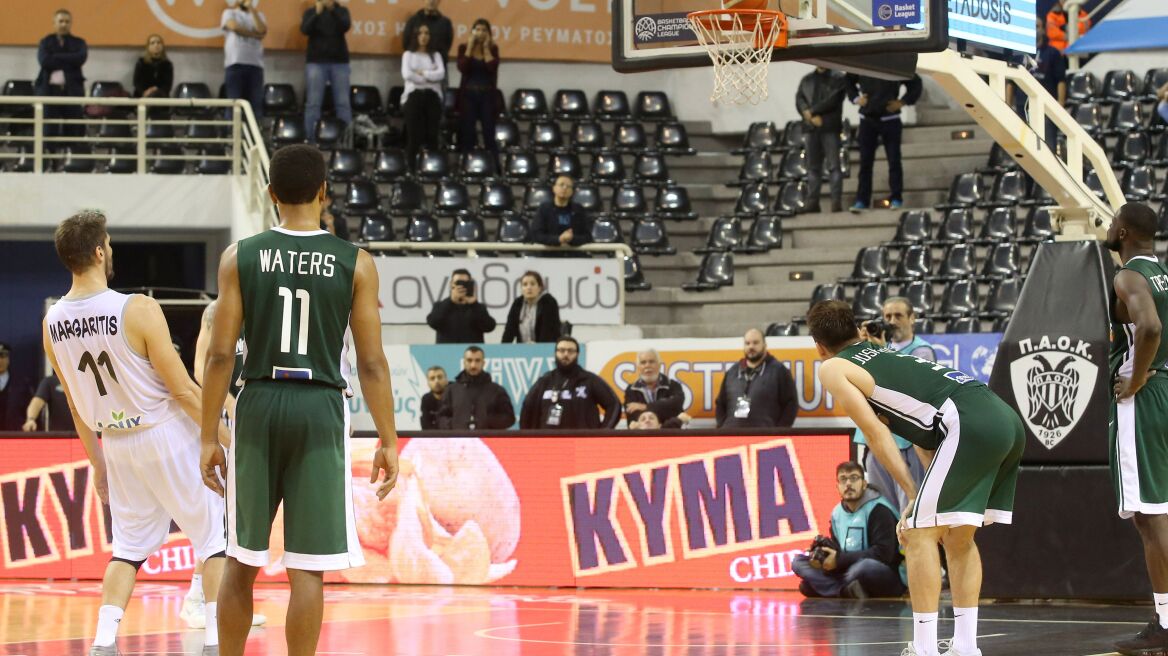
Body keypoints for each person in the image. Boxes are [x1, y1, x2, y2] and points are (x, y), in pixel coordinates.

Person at [199, 144, 401, 656]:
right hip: (320, 407)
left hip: (259, 401)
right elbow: (373, 364)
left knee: (241, 558)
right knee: (308, 566)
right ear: (324, 193)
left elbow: (220, 356)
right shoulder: (357, 263)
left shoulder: (238, 256)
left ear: (269, 195)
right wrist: (388, 439)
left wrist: (207, 437)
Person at [41, 211, 228, 655]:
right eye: (108, 242)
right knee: (215, 538)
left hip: (117, 443)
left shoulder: (51, 324)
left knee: (127, 550)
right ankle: (218, 640)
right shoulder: (137, 308)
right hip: (166, 432)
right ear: (99, 251)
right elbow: (182, 389)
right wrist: (224, 436)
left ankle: (104, 640)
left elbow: (74, 404)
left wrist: (98, 464)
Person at [809, 299, 1025, 656]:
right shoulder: (881, 353)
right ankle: (965, 647)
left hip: (966, 422)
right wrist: (920, 494)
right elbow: (923, 434)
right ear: (856, 328)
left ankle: (924, 648)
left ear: (818, 345)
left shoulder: (833, 367)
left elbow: (877, 435)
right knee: (958, 538)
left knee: (917, 532)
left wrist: (911, 494)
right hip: (1002, 419)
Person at [1103, 202, 1168, 655]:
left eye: (1111, 222)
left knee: (1151, 516)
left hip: (1146, 398)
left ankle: (1166, 622)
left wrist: (1138, 377)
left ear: (1122, 231)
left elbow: (1150, 327)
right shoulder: (1166, 275)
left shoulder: (1129, 276)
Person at [853, 297, 933, 510]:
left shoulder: (922, 351)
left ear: (912, 318)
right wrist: (861, 347)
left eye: (898, 315)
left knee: (912, 508)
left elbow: (909, 389)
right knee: (885, 509)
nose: (892, 321)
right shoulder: (876, 349)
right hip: (877, 440)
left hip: (905, 442)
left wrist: (880, 353)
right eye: (887, 316)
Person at [792, 461, 906, 599]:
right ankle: (845, 590)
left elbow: (884, 554)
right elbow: (838, 549)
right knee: (798, 562)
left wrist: (839, 561)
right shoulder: (836, 513)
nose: (848, 484)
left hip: (885, 573)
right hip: (847, 569)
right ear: (837, 486)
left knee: (863, 568)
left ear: (864, 484)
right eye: (843, 479)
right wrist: (824, 554)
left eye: (854, 478)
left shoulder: (879, 509)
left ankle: (831, 588)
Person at [846, 73, 922, 213]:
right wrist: (856, 98)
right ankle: (862, 200)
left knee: (894, 161)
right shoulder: (863, 59)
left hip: (890, 119)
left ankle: (896, 198)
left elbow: (916, 83)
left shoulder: (896, 60)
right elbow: (848, 81)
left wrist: (902, 102)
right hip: (867, 119)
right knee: (865, 164)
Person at [520, 336, 621, 429]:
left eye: (570, 351)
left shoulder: (589, 380)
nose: (566, 354)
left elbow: (614, 404)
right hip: (549, 443)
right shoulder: (544, 381)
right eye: (562, 350)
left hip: (582, 443)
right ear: (555, 353)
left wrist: (602, 433)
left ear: (577, 354)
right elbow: (527, 409)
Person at [715, 329, 799, 428]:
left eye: (755, 343)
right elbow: (720, 404)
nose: (751, 346)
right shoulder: (732, 372)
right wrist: (723, 426)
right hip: (731, 436)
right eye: (747, 343)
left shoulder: (779, 371)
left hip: (765, 438)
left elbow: (791, 404)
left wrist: (778, 432)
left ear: (765, 345)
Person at [795, 66, 846, 213]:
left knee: (834, 166)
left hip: (829, 126)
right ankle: (812, 202)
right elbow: (800, 100)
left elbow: (834, 99)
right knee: (812, 168)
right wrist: (809, 115)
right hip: (811, 128)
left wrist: (812, 112)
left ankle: (836, 202)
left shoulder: (838, 78)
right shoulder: (807, 80)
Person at [36, 9, 87, 152]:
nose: (64, 24)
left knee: (73, 128)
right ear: (54, 23)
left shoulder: (79, 42)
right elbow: (45, 61)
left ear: (71, 24)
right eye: (61, 21)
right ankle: (49, 161)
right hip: (49, 91)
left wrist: (56, 56)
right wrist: (69, 58)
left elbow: (80, 58)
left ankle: (71, 161)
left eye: (67, 21)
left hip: (72, 91)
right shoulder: (45, 42)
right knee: (48, 129)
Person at [301, 0, 353, 142]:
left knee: (343, 103)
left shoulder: (341, 11)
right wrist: (317, 14)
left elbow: (345, 26)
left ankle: (346, 140)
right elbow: (305, 29)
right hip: (316, 62)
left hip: (339, 63)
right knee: (313, 103)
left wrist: (333, 10)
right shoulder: (311, 12)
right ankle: (311, 139)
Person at [401, 24, 446, 171]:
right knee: (414, 136)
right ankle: (411, 169)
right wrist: (428, 77)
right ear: (415, 36)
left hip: (432, 96)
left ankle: (431, 168)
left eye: (427, 33)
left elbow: (441, 75)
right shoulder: (408, 55)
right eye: (420, 33)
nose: (424, 36)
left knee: (432, 135)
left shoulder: (436, 55)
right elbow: (407, 75)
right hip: (413, 95)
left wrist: (422, 73)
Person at [437, 346, 515, 430]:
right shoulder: (451, 390)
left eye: (477, 360)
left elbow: (509, 418)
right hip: (459, 440)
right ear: (464, 362)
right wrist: (456, 423)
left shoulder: (497, 390)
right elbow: (441, 418)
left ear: (483, 363)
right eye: (469, 360)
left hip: (488, 441)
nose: (473, 365)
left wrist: (485, 422)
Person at [455, 19, 500, 152]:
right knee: (468, 132)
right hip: (469, 95)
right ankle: (466, 164)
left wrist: (485, 48)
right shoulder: (463, 47)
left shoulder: (493, 48)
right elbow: (462, 68)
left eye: (484, 30)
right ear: (472, 32)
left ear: (489, 33)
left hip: (487, 95)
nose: (481, 33)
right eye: (478, 30)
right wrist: (470, 47)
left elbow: (492, 67)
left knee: (488, 131)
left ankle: (493, 166)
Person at [220, 0, 267, 122]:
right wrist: (254, 35)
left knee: (256, 105)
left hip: (256, 65)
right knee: (234, 105)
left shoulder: (259, 15)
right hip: (235, 64)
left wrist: (252, 10)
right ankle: (231, 138)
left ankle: (254, 139)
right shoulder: (229, 13)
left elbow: (261, 30)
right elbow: (234, 27)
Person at [426, 269, 497, 343]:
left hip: (471, 353)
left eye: (465, 283)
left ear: (470, 284)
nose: (461, 286)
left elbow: (489, 327)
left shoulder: (478, 307)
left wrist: (474, 304)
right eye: (458, 283)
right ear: (451, 284)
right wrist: (451, 301)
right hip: (446, 352)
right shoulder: (440, 306)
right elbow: (433, 322)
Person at [624, 348, 685, 428]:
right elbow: (634, 418)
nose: (647, 365)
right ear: (638, 367)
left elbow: (676, 405)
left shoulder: (673, 385)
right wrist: (663, 407)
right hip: (643, 437)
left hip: (671, 435)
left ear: (659, 365)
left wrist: (646, 407)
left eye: (651, 362)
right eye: (643, 362)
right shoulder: (631, 390)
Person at [532, 176, 592, 249]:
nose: (564, 188)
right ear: (554, 188)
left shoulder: (579, 210)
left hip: (573, 256)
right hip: (549, 255)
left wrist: (572, 239)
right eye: (561, 184)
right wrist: (558, 239)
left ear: (572, 191)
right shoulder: (544, 209)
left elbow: (588, 237)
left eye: (568, 186)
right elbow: (537, 235)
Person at [502, 271, 561, 343]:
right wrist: (502, 351)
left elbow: (548, 331)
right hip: (522, 349)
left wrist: (537, 348)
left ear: (539, 287)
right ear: (521, 288)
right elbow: (509, 330)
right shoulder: (517, 303)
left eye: (532, 284)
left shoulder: (548, 302)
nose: (529, 287)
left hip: (545, 349)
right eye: (525, 284)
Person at [402, 0, 454, 67]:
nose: (431, 1)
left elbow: (447, 45)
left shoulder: (445, 23)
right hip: (416, 69)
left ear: (439, 1)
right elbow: (406, 44)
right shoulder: (413, 21)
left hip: (438, 69)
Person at [132, 34, 173, 99]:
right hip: (142, 95)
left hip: (160, 97)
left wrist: (155, 89)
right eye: (152, 43)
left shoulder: (167, 64)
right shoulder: (141, 62)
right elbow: (136, 82)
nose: (156, 45)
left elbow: (167, 85)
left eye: (158, 42)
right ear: (148, 47)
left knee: (156, 95)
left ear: (162, 46)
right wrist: (145, 92)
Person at [419, 365, 447, 430]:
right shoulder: (426, 399)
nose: (436, 381)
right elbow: (426, 425)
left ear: (446, 380)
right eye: (432, 378)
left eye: (440, 377)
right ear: (428, 383)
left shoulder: (454, 395)